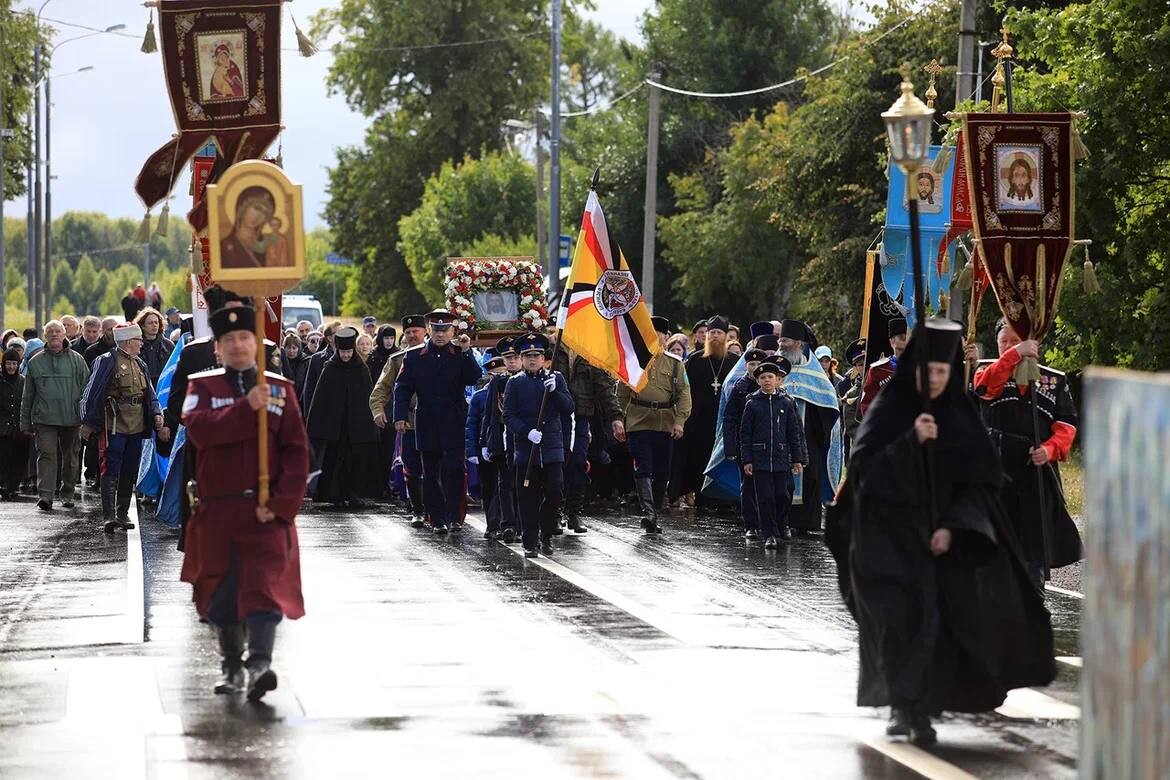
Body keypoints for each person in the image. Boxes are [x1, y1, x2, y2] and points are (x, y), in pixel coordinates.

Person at [827, 318, 1055, 745]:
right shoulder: (892, 409)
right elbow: (865, 475)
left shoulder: (958, 415)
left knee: (930, 623)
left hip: (936, 540)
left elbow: (980, 484)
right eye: (928, 371)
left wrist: (953, 529)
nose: (934, 379)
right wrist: (911, 441)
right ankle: (901, 704)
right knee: (895, 622)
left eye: (942, 372)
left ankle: (921, 709)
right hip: (885, 537)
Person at [181, 304, 309, 701]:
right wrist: (244, 408)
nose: (238, 345)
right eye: (230, 340)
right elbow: (200, 433)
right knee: (221, 592)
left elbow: (296, 451)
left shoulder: (280, 389)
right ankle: (231, 666)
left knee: (264, 588)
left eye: (245, 338)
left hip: (265, 510)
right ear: (217, 348)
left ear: (257, 344)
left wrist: (284, 503)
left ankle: (260, 664)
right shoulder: (201, 388)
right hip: (219, 511)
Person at [972, 321, 1083, 587]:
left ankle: (1034, 591)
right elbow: (985, 390)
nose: (1009, 346)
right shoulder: (987, 371)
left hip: (1036, 471)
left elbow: (1067, 424)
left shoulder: (1054, 379)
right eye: (1004, 342)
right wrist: (1015, 354)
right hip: (998, 469)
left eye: (1015, 341)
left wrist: (1049, 449)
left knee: (1035, 538)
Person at [392, 310, 481, 533]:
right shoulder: (414, 356)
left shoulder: (459, 354)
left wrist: (467, 351)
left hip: (453, 423)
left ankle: (453, 517)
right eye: (437, 330)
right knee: (429, 474)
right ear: (430, 330)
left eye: (445, 330)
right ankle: (437, 518)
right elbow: (402, 388)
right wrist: (400, 416)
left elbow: (473, 376)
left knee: (453, 471)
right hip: (427, 424)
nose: (440, 334)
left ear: (452, 331)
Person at [80, 323, 167, 532]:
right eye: (138, 340)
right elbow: (91, 393)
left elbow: (150, 394)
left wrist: (156, 413)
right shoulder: (106, 361)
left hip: (136, 425)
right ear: (128, 342)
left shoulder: (140, 364)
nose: (141, 344)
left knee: (130, 469)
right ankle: (109, 516)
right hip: (114, 424)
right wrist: (88, 423)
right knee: (110, 467)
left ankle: (122, 513)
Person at [616, 316, 692, 533]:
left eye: (659, 334)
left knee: (662, 472)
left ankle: (654, 511)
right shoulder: (634, 360)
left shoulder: (675, 363)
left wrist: (680, 422)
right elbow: (621, 393)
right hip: (639, 420)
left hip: (665, 422)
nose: (655, 337)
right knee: (643, 466)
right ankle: (648, 513)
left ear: (666, 337)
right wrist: (619, 419)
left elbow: (684, 394)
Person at [503, 332, 573, 557]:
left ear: (544, 358)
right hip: (527, 449)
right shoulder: (515, 383)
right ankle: (530, 540)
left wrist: (555, 393)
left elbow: (569, 407)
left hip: (552, 449)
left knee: (554, 493)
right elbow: (509, 416)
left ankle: (546, 533)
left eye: (537, 355)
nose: (533, 359)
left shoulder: (556, 379)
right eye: (528, 355)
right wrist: (526, 431)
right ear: (521, 359)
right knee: (528, 497)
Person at [551, 334, 624, 534]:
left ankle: (574, 512)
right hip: (554, 416)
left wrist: (616, 417)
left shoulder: (591, 353)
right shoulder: (553, 349)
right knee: (557, 464)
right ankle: (555, 512)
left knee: (578, 463)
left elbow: (604, 387)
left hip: (581, 416)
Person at [776, 319, 842, 535]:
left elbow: (828, 404)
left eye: (785, 340)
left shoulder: (814, 373)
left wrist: (819, 432)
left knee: (810, 476)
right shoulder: (774, 368)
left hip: (808, 437)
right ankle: (780, 520)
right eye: (780, 340)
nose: (781, 344)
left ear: (798, 343)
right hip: (777, 436)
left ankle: (806, 523)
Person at [306, 327, 380, 509]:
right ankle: (334, 494)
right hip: (335, 427)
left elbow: (367, 397)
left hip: (356, 427)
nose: (346, 355)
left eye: (348, 352)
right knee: (334, 460)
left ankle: (354, 494)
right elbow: (320, 399)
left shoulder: (361, 369)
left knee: (356, 461)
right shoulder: (330, 369)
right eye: (343, 352)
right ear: (337, 350)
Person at [19, 320, 89, 511]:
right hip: (44, 420)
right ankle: (46, 496)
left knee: (71, 458)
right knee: (47, 456)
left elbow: (87, 391)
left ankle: (67, 493)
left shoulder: (77, 360)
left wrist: (87, 420)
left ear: (65, 333)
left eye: (57, 331)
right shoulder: (35, 362)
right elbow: (28, 396)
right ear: (45, 336)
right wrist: (25, 423)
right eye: (50, 332)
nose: (54, 335)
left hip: (72, 419)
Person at [739, 359, 807, 548]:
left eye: (770, 377)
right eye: (763, 377)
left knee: (782, 495)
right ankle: (769, 534)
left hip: (781, 458)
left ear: (778, 380)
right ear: (758, 381)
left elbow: (793, 432)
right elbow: (745, 434)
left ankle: (780, 524)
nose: (767, 380)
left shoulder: (786, 402)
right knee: (765, 497)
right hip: (760, 459)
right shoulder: (752, 403)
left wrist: (797, 459)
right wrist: (747, 460)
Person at [671, 316, 735, 508]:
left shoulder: (734, 362)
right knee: (697, 461)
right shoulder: (695, 360)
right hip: (697, 423)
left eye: (719, 333)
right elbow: (683, 391)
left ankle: (722, 501)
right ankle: (700, 499)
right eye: (712, 333)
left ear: (725, 336)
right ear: (706, 336)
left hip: (723, 423)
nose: (715, 336)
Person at [370, 315, 426, 522]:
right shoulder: (397, 359)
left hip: (435, 420)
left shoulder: (438, 355)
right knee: (411, 467)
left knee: (435, 467)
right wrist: (378, 409)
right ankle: (418, 509)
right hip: (409, 421)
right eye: (408, 332)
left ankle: (435, 509)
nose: (412, 335)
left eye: (416, 331)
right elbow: (381, 389)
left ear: (425, 331)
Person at [478, 336, 523, 542]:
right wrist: (485, 441)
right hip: (503, 437)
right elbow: (489, 413)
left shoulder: (528, 379)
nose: (512, 361)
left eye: (515, 357)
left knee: (523, 483)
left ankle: (525, 524)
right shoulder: (498, 381)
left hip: (524, 437)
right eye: (507, 357)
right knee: (504, 483)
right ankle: (508, 524)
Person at [722, 347, 768, 540]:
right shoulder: (740, 388)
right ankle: (751, 524)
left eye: (759, 364)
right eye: (751, 364)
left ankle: (771, 524)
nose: (755, 367)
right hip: (746, 445)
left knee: (772, 487)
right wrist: (730, 446)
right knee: (748, 486)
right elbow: (729, 418)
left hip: (769, 444)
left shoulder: (771, 386)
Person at [467, 354, 506, 538]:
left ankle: (504, 522)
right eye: (493, 375)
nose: (496, 378)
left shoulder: (510, 392)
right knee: (489, 487)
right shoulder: (479, 397)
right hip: (486, 448)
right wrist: (473, 450)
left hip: (504, 447)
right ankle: (492, 524)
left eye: (501, 373)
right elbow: (472, 425)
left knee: (504, 487)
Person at [860, 318, 909, 417]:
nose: (905, 343)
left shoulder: (921, 368)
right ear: (891, 342)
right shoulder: (877, 370)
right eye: (901, 338)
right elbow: (867, 405)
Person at [0, 348, 29, 500]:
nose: (11, 367)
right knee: (4, 457)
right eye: (8, 364)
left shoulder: (23, 381)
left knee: (19, 458)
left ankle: (13, 485)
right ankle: (3, 484)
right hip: (3, 428)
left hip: (20, 427)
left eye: (14, 364)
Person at [135, 307, 175, 388]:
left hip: (163, 387)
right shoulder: (136, 345)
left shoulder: (168, 345)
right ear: (142, 326)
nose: (154, 325)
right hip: (143, 388)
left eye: (156, 322)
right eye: (150, 323)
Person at [281, 333, 311, 407]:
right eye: (288, 348)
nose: (291, 351)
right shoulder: (280, 361)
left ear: (299, 348)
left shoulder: (306, 361)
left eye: (294, 348)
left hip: (301, 401)